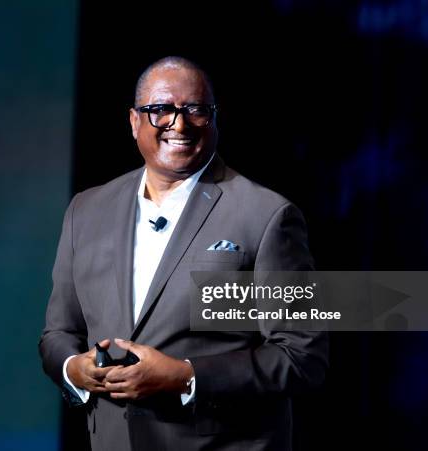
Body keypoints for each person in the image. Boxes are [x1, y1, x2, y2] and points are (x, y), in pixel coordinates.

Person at [39, 56, 328, 451]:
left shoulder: (268, 216)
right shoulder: (86, 211)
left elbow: (302, 357)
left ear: (214, 119)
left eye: (195, 110)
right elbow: (59, 334)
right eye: (160, 110)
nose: (179, 124)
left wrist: (185, 376)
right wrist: (75, 369)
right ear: (134, 121)